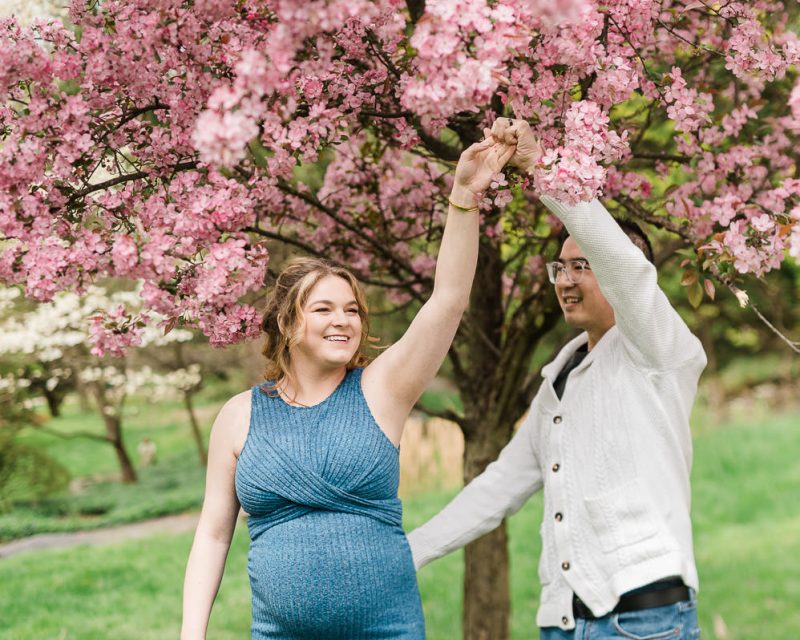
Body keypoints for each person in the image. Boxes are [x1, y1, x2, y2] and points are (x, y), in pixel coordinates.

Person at [180, 132, 518, 640]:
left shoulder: (382, 390)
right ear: (289, 325)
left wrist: (464, 196)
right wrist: (191, 634)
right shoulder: (240, 415)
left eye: (352, 309)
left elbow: (448, 300)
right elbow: (212, 532)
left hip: (387, 630)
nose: (344, 320)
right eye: (324, 309)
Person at [407, 119, 707, 639]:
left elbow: (629, 273)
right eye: (559, 269)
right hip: (565, 625)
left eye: (581, 267)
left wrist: (543, 169)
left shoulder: (661, 351)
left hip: (643, 620)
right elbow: (499, 487)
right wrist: (404, 554)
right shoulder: (558, 380)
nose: (565, 282)